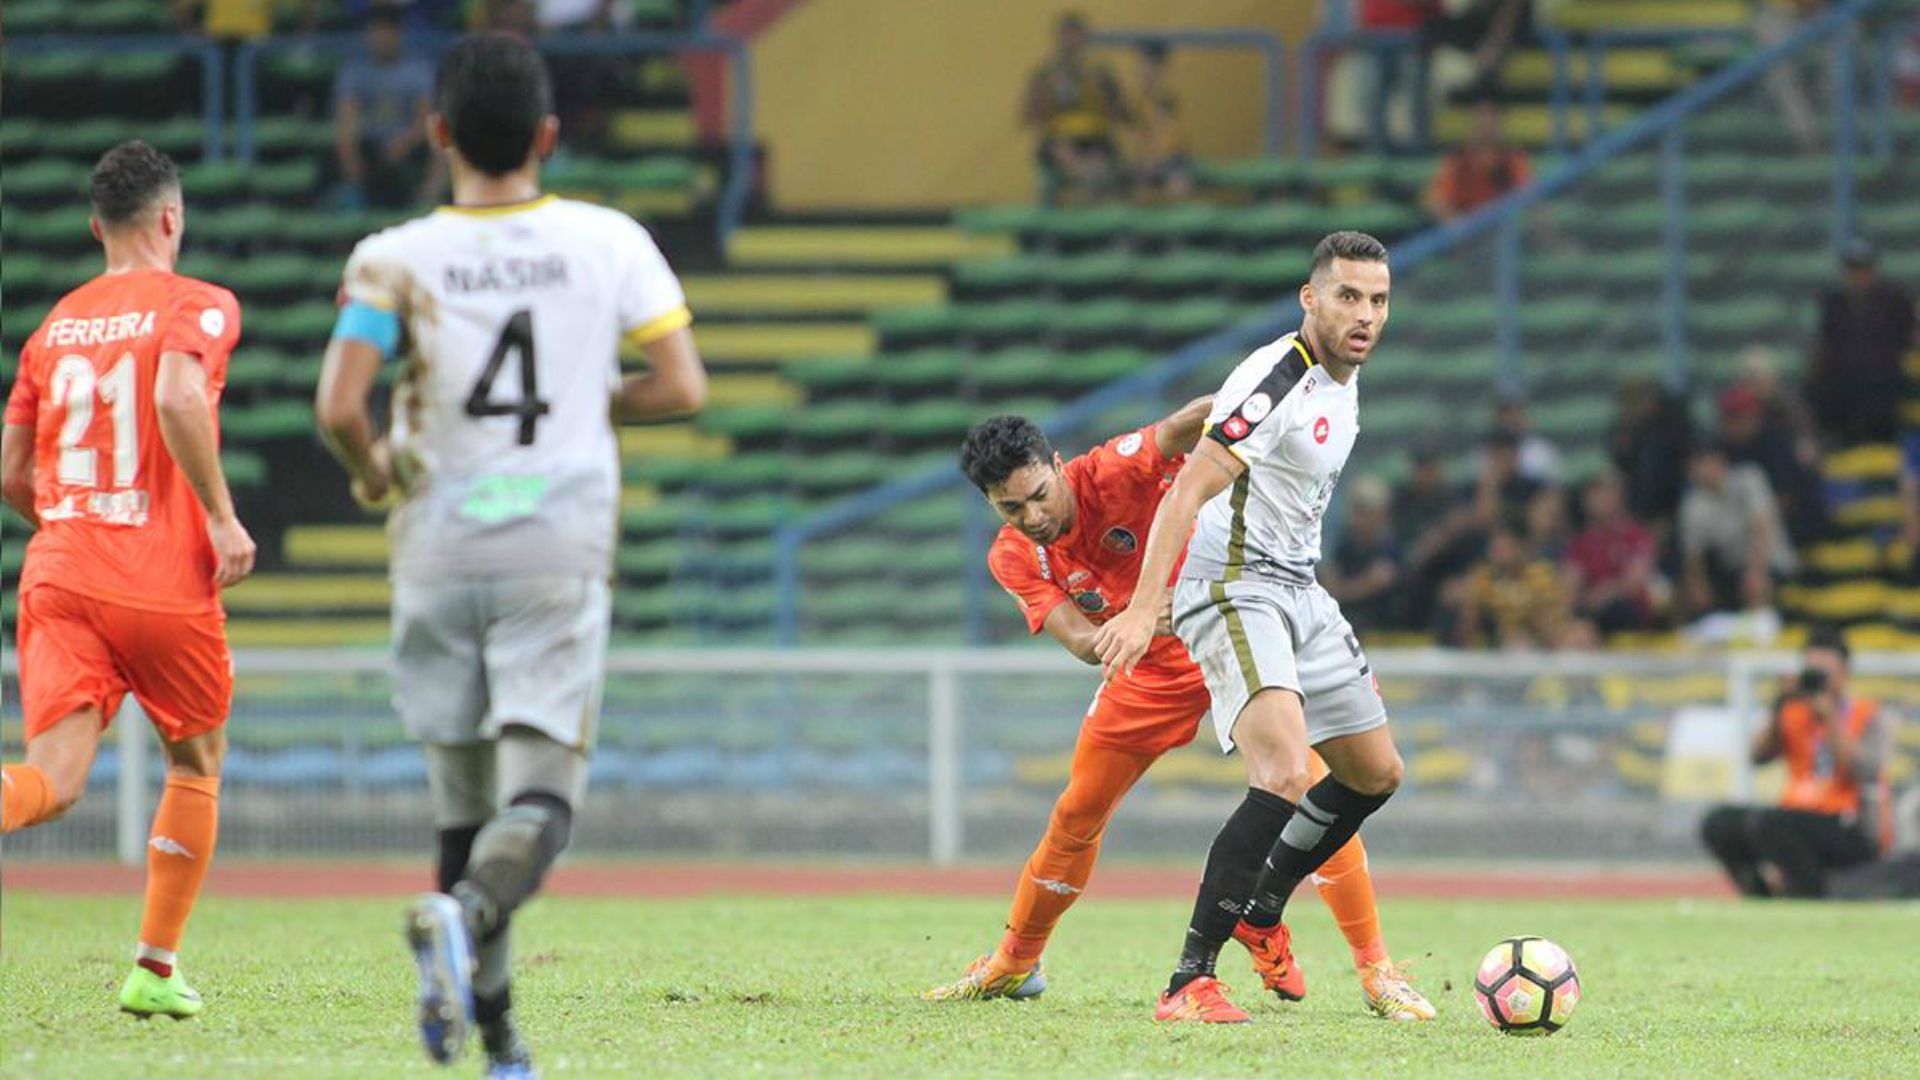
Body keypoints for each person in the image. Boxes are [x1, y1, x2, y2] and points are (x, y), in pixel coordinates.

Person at [314, 32, 707, 1075]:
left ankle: (498, 1043)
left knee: (460, 805)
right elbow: (681, 384)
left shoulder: (393, 255)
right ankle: (467, 917)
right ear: (548, 135)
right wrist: (591, 403)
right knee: (540, 801)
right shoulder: (608, 241)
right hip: (555, 543)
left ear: (436, 132)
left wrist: (373, 471)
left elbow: (340, 404)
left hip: (437, 542)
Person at [925, 412, 1432, 1022]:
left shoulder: (1113, 468)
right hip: (1145, 671)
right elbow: (1085, 643)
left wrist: (1258, 396)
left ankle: (1376, 969)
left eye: (1038, 495)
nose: (1032, 516)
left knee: (1305, 780)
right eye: (1011, 508)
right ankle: (1015, 961)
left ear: (1058, 465)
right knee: (1076, 811)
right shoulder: (1013, 557)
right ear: (992, 504)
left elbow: (1190, 423)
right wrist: (1146, 616)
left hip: (1229, 629)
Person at [1096, 232, 1411, 1023]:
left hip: (1298, 591)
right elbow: (1186, 492)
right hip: (1234, 588)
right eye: (1347, 296)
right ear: (1310, 299)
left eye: (1377, 300)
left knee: (1376, 774)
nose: (1364, 315)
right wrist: (1142, 608)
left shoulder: (1344, 378)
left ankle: (1261, 910)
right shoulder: (1277, 383)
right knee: (1281, 772)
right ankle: (1187, 981)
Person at [0, 140, 256, 1018]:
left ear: (94, 227)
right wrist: (221, 518)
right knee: (197, 757)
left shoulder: (54, 326)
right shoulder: (199, 304)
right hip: (159, 577)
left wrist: (75, 526)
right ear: (172, 219)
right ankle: (153, 970)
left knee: (50, 783)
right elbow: (179, 397)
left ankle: (155, 974)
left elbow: (10, 469)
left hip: (60, 567)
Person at [1700, 626, 1893, 898]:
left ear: (1845, 673)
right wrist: (1779, 703)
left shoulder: (1867, 715)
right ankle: (1760, 895)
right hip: (1793, 816)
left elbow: (1864, 771)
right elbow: (1757, 757)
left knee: (1771, 824)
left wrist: (1830, 719)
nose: (1818, 681)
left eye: (1825, 673)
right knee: (1720, 823)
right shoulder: (1794, 713)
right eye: (1811, 672)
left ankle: (1813, 896)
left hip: (1847, 823)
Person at [333, 3, 442, 210]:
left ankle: (425, 199)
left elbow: (426, 119)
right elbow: (347, 119)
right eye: (376, 31)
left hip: (409, 147)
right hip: (372, 146)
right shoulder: (354, 71)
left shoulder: (418, 70)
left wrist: (405, 141)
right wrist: (350, 158)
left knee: (441, 140)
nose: (381, 38)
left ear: (399, 33)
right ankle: (353, 201)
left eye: (387, 31)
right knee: (337, 158)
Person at [1809, 238, 1915, 448]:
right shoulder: (1834, 304)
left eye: (1862, 268)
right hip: (1845, 391)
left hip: (1883, 389)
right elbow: (1825, 346)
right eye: (1852, 269)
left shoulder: (1893, 300)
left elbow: (1908, 338)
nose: (1857, 276)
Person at [1678, 440, 1797, 622]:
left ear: (1718, 462)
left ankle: (1763, 632)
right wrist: (1698, 585)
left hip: (1770, 562)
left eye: (1701, 463)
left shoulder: (1749, 478)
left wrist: (1756, 571)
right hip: (1732, 568)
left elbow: (1763, 528)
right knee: (1686, 591)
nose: (1697, 470)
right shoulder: (1694, 502)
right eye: (1693, 465)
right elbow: (1693, 555)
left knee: (1756, 583)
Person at [1022, 11, 1130, 204]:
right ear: (1059, 39)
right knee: (1063, 152)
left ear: (1084, 39)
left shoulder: (1099, 72)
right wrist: (1045, 94)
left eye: (1077, 36)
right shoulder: (1047, 73)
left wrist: (1104, 93)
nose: (1072, 42)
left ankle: (1093, 190)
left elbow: (1122, 115)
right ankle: (1083, 181)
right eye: (1067, 36)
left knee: (1103, 159)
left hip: (1095, 138)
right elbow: (1028, 118)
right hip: (1060, 140)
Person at [1448, 523, 1583, 649]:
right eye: (1495, 547)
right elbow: (1467, 625)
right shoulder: (1481, 578)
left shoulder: (1540, 576)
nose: (1497, 553)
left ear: (1521, 548)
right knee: (1519, 645)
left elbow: (1550, 621)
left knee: (1582, 634)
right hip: (1500, 646)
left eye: (1504, 546)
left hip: (1545, 642)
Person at [1562, 469, 1661, 636]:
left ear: (1619, 497)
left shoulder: (1635, 535)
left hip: (1626, 612)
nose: (1601, 499)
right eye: (1595, 494)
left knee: (1617, 609)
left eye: (1607, 493)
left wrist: (1605, 593)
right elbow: (1570, 581)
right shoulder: (1581, 541)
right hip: (1591, 611)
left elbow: (1634, 582)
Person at [1422, 99, 1532, 222]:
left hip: (1502, 226)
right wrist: (1456, 222)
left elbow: (1527, 194)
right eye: (1481, 118)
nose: (1485, 125)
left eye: (1491, 119)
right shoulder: (1458, 158)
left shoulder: (1512, 157)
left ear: (1499, 123)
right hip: (1466, 228)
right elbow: (1435, 200)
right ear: (1472, 123)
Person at [1320, 476, 1404, 634]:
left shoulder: (1390, 548)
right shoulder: (1345, 545)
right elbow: (1330, 581)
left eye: (1367, 510)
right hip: (1348, 627)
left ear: (1382, 513)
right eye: (1357, 509)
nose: (1360, 517)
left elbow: (1373, 584)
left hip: (1387, 633)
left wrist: (1340, 589)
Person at [1128, 42, 1193, 201]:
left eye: (1147, 64)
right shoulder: (1141, 98)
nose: (1143, 69)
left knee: (1178, 188)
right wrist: (1143, 160)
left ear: (1159, 67)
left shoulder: (1165, 96)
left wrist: (1154, 160)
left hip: (1171, 157)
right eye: (1141, 64)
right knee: (1139, 196)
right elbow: (1141, 134)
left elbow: (1165, 132)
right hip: (1149, 159)